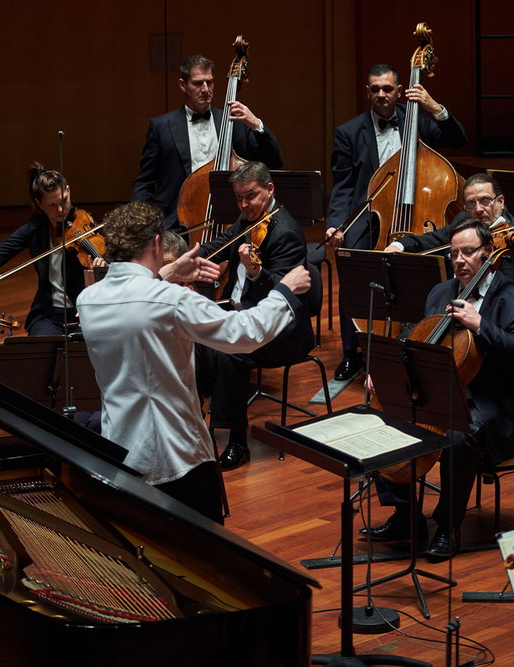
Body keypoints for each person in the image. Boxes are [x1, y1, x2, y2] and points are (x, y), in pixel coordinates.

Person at [76, 201, 311, 524]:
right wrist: (284, 292)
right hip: (176, 457)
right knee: (206, 558)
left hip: (119, 450)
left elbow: (135, 296)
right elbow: (243, 333)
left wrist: (165, 273)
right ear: (157, 244)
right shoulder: (170, 299)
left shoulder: (88, 300)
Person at [362, 218, 514, 562]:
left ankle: (448, 527)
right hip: (435, 393)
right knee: (378, 417)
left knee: (460, 436)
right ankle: (406, 517)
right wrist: (385, 369)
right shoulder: (441, 291)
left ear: (488, 252)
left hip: (490, 400)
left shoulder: (509, 295)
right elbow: (416, 334)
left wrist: (481, 325)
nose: (459, 260)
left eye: (469, 252)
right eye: (454, 253)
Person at [325, 64, 467, 381]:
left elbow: (458, 139)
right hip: (370, 215)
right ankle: (353, 351)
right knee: (353, 269)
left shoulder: (417, 120)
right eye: (375, 89)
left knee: (430, 268)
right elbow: (344, 185)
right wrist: (336, 224)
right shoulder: (349, 132)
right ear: (367, 92)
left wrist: (434, 107)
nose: (381, 94)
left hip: (418, 214)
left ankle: (423, 340)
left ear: (399, 90)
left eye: (387, 89)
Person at [194, 162, 315, 470]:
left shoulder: (286, 232)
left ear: (269, 189)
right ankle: (193, 418)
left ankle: (237, 440)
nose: (244, 204)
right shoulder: (248, 219)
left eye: (250, 196)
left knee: (231, 352)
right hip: (242, 310)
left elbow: (286, 292)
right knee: (190, 333)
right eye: (239, 198)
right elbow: (224, 243)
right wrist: (187, 255)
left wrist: (257, 272)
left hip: (283, 328)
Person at [132, 54, 283, 232]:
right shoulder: (161, 126)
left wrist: (256, 124)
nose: (205, 89)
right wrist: (143, 226)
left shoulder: (235, 123)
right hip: (177, 225)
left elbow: (274, 162)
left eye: (209, 82)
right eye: (197, 83)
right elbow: (145, 183)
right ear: (183, 85)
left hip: (230, 225)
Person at [0, 163, 105, 335]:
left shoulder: (86, 223)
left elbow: (116, 266)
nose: (60, 209)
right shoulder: (35, 228)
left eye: (64, 200)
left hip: (84, 312)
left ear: (68, 191)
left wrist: (97, 271)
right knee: (41, 348)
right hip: (48, 315)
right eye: (51, 205)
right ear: (39, 203)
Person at [386, 173, 513, 278]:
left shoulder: (510, 233)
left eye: (485, 201)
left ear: (500, 201)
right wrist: (398, 246)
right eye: (471, 204)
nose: (478, 209)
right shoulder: (462, 221)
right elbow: (428, 240)